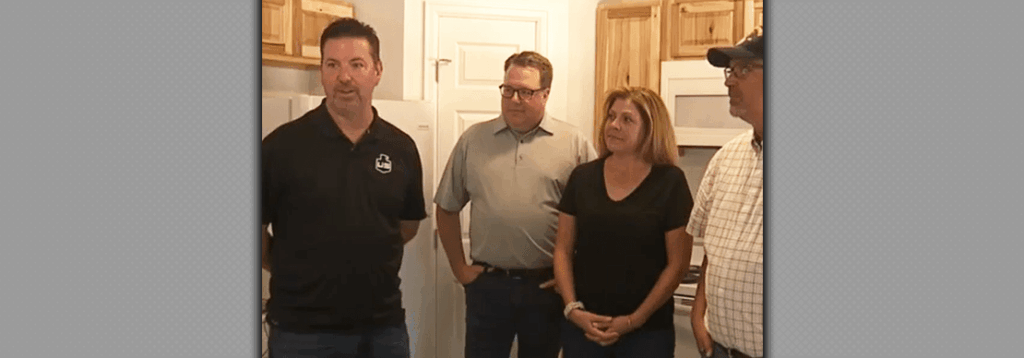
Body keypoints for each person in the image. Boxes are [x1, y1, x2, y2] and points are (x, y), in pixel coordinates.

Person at [261, 18, 426, 358]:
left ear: (377, 70)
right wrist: (296, 266)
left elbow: (407, 225)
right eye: (332, 65)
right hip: (301, 333)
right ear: (321, 71)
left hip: (384, 329)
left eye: (357, 64)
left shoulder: (401, 148)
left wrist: (361, 255)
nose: (344, 77)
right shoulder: (281, 146)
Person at [434, 51, 596, 358]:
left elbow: (598, 217)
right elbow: (446, 207)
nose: (514, 99)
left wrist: (573, 275)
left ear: (546, 94)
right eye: (508, 90)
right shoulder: (474, 140)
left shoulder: (572, 143)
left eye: (526, 92)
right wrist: (460, 269)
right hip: (488, 286)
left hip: (546, 287)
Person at [553, 87, 694, 358]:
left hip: (647, 333)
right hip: (584, 327)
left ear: (650, 129)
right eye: (611, 117)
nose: (614, 125)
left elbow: (678, 265)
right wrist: (573, 309)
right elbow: (562, 249)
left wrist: (634, 320)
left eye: (627, 120)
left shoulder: (670, 182)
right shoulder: (582, 177)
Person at [688, 27, 765, 358]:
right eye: (729, 70)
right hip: (720, 349)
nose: (728, 81)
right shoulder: (726, 158)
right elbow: (712, 251)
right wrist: (698, 311)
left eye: (743, 69)